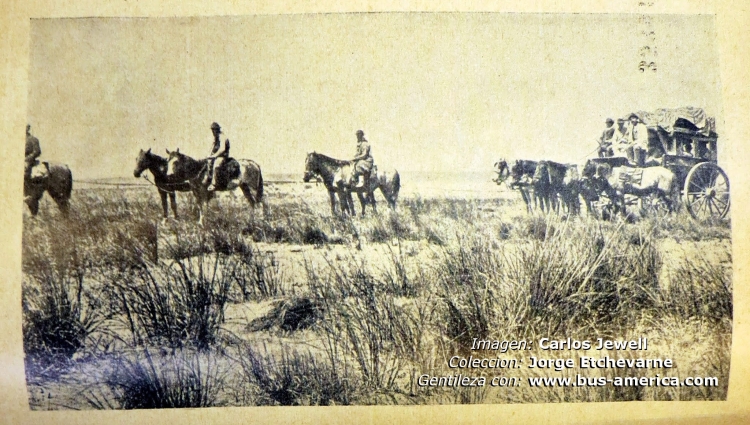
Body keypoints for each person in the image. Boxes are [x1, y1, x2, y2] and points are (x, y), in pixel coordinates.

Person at [206, 122, 230, 191]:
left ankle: (214, 184)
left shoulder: (222, 137)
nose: (213, 132)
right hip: (216, 156)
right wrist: (208, 155)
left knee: (217, 164)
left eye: (214, 130)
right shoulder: (215, 138)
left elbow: (222, 149)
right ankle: (209, 179)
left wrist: (214, 156)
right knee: (207, 162)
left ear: (217, 130)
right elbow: (212, 147)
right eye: (212, 130)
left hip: (223, 156)